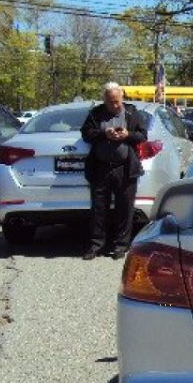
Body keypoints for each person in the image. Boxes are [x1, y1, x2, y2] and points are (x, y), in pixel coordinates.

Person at [80, 82, 147, 260]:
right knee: (98, 209)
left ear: (122, 98)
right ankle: (96, 245)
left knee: (124, 208)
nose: (114, 105)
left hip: (124, 168)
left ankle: (121, 245)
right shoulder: (96, 114)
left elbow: (142, 135)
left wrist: (127, 135)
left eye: (117, 101)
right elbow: (86, 133)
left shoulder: (132, 113)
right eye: (110, 102)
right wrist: (104, 133)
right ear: (104, 100)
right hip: (101, 167)